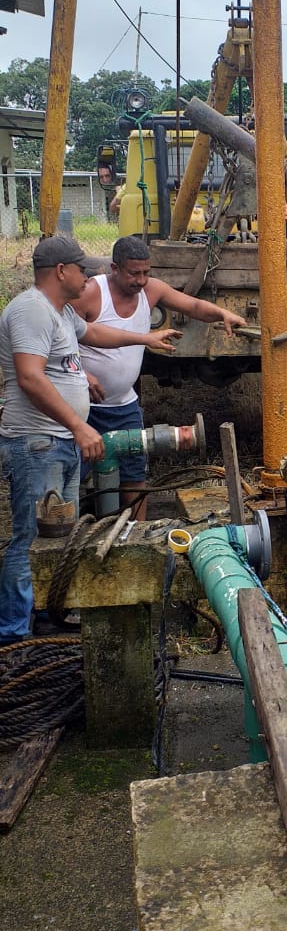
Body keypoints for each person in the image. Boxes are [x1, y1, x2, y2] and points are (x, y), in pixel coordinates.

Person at [0, 234, 182, 645]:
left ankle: (45, 616)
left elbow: (97, 335)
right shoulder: (31, 310)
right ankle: (13, 634)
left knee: (57, 539)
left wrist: (146, 338)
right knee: (30, 539)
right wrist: (80, 425)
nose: (88, 276)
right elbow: (30, 377)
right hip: (38, 443)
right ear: (60, 271)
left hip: (58, 441)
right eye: (82, 269)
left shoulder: (61, 312)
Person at [72, 235, 247, 519]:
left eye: (146, 272)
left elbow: (192, 306)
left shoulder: (151, 290)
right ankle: (72, 530)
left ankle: (135, 533)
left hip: (124, 405)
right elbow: (60, 338)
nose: (141, 280)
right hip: (84, 407)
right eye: (134, 274)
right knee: (73, 474)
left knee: (134, 475)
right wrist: (82, 374)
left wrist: (222, 313)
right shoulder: (91, 293)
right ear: (114, 268)